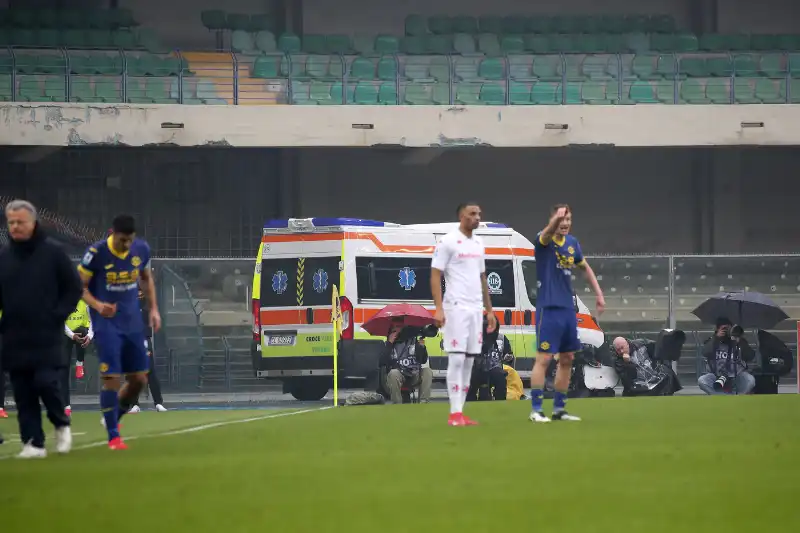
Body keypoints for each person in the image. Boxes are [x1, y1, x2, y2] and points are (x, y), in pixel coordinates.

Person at [0, 200, 82, 458]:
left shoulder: (54, 254)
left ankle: (61, 423)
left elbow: (73, 289)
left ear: (33, 223)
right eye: (11, 222)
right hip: (14, 335)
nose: (15, 227)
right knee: (23, 392)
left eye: (20, 222)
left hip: (46, 333)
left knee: (46, 383)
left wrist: (58, 315)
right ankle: (33, 443)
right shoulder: (3, 258)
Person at [78, 214, 161, 450]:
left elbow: (146, 279)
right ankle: (114, 436)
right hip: (107, 324)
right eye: (122, 240)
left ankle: (112, 417)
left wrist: (154, 309)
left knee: (139, 379)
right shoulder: (96, 253)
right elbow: (80, 286)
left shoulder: (141, 249)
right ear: (112, 233)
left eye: (129, 240)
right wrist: (98, 306)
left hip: (132, 322)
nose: (126, 245)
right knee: (112, 378)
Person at [529, 204, 605, 423]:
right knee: (543, 359)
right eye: (561, 218)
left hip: (567, 310)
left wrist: (598, 294)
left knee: (568, 358)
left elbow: (585, 268)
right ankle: (536, 410)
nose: (565, 223)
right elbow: (545, 233)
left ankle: (559, 410)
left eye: (568, 219)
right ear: (553, 219)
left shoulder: (572, 244)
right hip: (548, 309)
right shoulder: (543, 241)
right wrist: (555, 221)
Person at [431, 202, 497, 427]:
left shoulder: (479, 243)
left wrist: (489, 311)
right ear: (461, 216)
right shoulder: (447, 242)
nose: (477, 217)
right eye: (472, 214)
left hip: (475, 309)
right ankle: (454, 412)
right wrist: (439, 308)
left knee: (469, 361)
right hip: (456, 307)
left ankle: (460, 412)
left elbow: (482, 278)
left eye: (479, 213)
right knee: (457, 357)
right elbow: (435, 275)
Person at [129, 288, 166, 412]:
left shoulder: (147, 308)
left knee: (150, 371)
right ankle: (135, 404)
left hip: (144, 341)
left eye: (141, 293)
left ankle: (158, 403)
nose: (139, 296)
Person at [379, 320, 433, 404]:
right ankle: (397, 404)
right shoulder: (389, 343)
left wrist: (422, 348)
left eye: (400, 326)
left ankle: (423, 403)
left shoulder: (414, 340)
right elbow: (381, 362)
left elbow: (423, 360)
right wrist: (389, 343)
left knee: (427, 371)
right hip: (399, 375)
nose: (398, 329)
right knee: (393, 373)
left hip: (414, 374)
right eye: (396, 327)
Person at [698, 318, 755, 395]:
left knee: (750, 380)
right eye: (724, 329)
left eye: (729, 329)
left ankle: (738, 396)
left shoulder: (739, 341)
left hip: (737, 376)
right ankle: (722, 396)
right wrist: (716, 338)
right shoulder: (712, 340)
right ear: (718, 329)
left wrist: (739, 341)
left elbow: (750, 356)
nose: (727, 331)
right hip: (716, 376)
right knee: (702, 380)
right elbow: (705, 352)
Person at [467, 318, 511, 401]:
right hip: (477, 368)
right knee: (471, 377)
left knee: (500, 376)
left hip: (495, 368)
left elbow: (508, 353)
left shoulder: (502, 338)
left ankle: (500, 403)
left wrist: (508, 357)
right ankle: (469, 403)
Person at [63, 299, 93, 415]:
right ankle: (66, 405)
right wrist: (72, 335)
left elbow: (93, 321)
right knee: (63, 372)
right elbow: (61, 322)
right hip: (66, 335)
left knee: (82, 331)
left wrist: (89, 336)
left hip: (80, 333)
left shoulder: (85, 303)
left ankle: (79, 363)